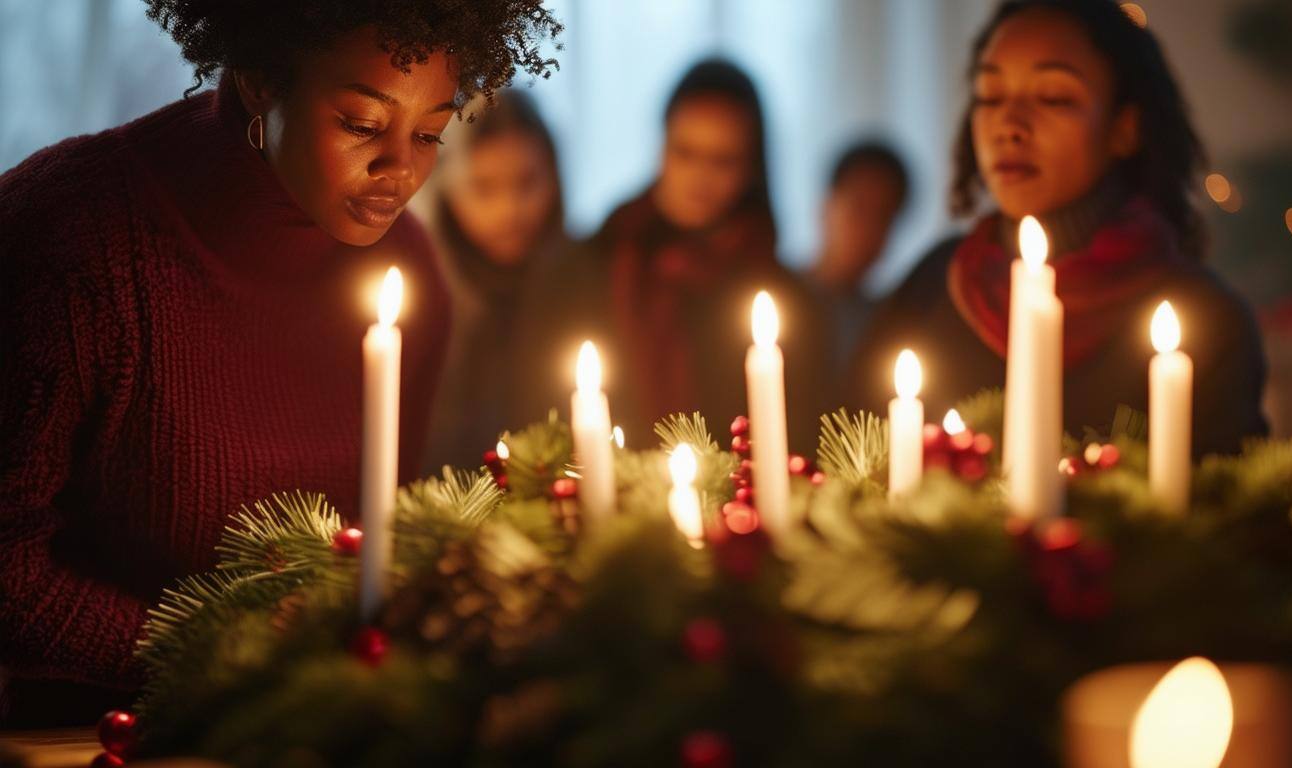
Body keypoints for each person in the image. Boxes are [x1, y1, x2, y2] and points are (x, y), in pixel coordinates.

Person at [0, 0, 560, 724]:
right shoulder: (75, 237)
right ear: (262, 77)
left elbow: (377, 547)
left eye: (430, 133)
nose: (400, 169)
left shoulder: (408, 278)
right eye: (362, 124)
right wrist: (209, 651)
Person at [850, 0, 1267, 457]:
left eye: (1053, 97)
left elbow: (1235, 512)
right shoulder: (933, 286)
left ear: (1124, 129)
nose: (1008, 125)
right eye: (990, 96)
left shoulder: (1205, 319)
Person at [533, 58, 825, 452]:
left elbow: (797, 435)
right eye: (685, 152)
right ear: (662, 146)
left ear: (751, 167)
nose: (700, 176)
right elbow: (542, 410)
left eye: (722, 160)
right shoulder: (592, 264)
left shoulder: (779, 293)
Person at [413, 90, 570, 472]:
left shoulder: (579, 278)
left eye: (528, 181)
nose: (510, 209)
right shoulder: (419, 292)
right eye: (484, 187)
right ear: (445, 184)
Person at [806, 140, 909, 371]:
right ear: (826, 207)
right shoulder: (777, 292)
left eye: (882, 216)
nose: (868, 228)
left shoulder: (885, 324)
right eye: (859, 207)